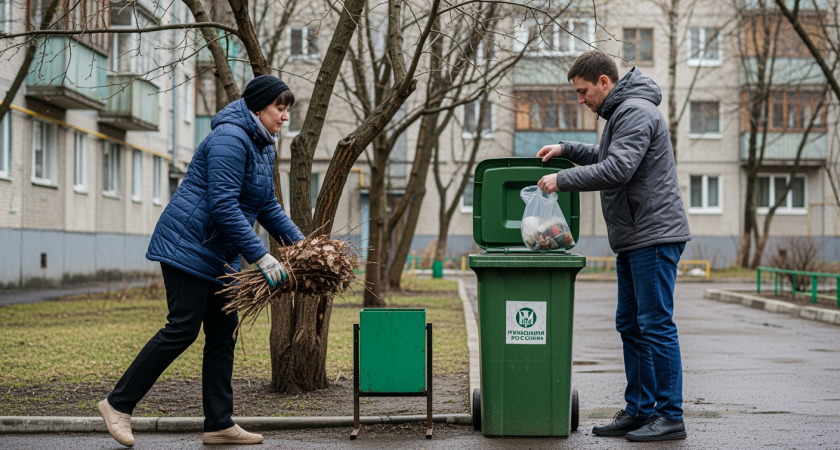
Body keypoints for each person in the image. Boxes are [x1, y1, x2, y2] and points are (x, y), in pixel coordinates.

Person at [97, 75, 305, 447]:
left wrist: (304, 248)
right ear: (259, 107)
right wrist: (261, 256)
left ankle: (218, 424)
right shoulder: (230, 138)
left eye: (287, 109)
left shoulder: (263, 146)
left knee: (224, 334)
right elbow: (223, 205)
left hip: (218, 253)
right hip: (187, 247)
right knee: (182, 328)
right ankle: (117, 405)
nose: (285, 116)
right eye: (280, 108)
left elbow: (268, 206)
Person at [537, 50, 691, 442]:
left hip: (653, 235)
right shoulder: (622, 112)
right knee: (631, 325)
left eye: (583, 91)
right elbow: (608, 156)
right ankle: (640, 410)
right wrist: (567, 149)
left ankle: (670, 415)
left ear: (604, 82)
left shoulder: (635, 111)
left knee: (655, 325)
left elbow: (618, 169)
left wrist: (563, 180)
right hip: (635, 237)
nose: (580, 100)